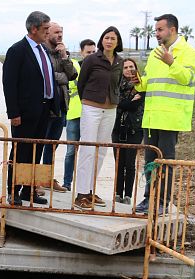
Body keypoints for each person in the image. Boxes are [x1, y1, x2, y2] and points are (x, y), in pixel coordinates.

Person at [130, 14, 195, 213]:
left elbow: (186, 78)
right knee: (150, 161)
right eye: (156, 31)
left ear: (172, 29)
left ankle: (162, 202)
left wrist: (172, 63)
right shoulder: (155, 53)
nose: (157, 34)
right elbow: (149, 83)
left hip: (171, 118)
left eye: (160, 30)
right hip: (151, 117)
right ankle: (148, 199)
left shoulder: (189, 52)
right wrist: (138, 81)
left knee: (166, 162)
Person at [2, 11, 60, 206]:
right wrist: (14, 113)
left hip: (44, 110)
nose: (47, 33)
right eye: (45, 29)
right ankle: (13, 190)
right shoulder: (17, 50)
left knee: (37, 151)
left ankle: (29, 190)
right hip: (25, 113)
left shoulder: (43, 50)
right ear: (33, 29)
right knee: (20, 152)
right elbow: (9, 84)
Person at [73, 26, 123, 210]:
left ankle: (90, 190)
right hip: (91, 108)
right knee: (87, 149)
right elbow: (81, 83)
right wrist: (88, 101)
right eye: (106, 38)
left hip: (110, 110)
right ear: (102, 40)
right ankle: (81, 194)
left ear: (118, 42)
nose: (109, 41)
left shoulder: (119, 61)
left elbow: (117, 84)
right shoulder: (92, 59)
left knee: (101, 151)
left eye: (113, 38)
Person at [40, 22, 77, 193]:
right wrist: (60, 76)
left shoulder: (63, 54)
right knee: (39, 143)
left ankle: (47, 178)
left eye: (61, 32)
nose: (60, 35)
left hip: (61, 105)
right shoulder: (41, 52)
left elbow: (72, 75)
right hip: (46, 105)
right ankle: (35, 179)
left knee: (52, 145)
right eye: (56, 32)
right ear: (47, 34)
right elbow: (42, 75)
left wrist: (64, 56)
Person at [62, 39, 96, 191]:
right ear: (82, 52)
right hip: (75, 114)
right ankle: (67, 183)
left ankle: (86, 187)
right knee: (71, 151)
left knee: (89, 152)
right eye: (88, 52)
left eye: (94, 52)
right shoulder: (75, 66)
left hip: (91, 115)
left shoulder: (98, 69)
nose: (91, 55)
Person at [112, 58, 145, 205]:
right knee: (119, 163)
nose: (129, 69)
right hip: (118, 128)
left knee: (130, 164)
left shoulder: (142, 85)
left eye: (131, 66)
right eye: (125, 67)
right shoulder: (116, 85)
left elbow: (134, 105)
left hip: (134, 129)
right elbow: (117, 102)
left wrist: (127, 102)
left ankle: (128, 195)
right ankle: (117, 193)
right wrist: (129, 101)